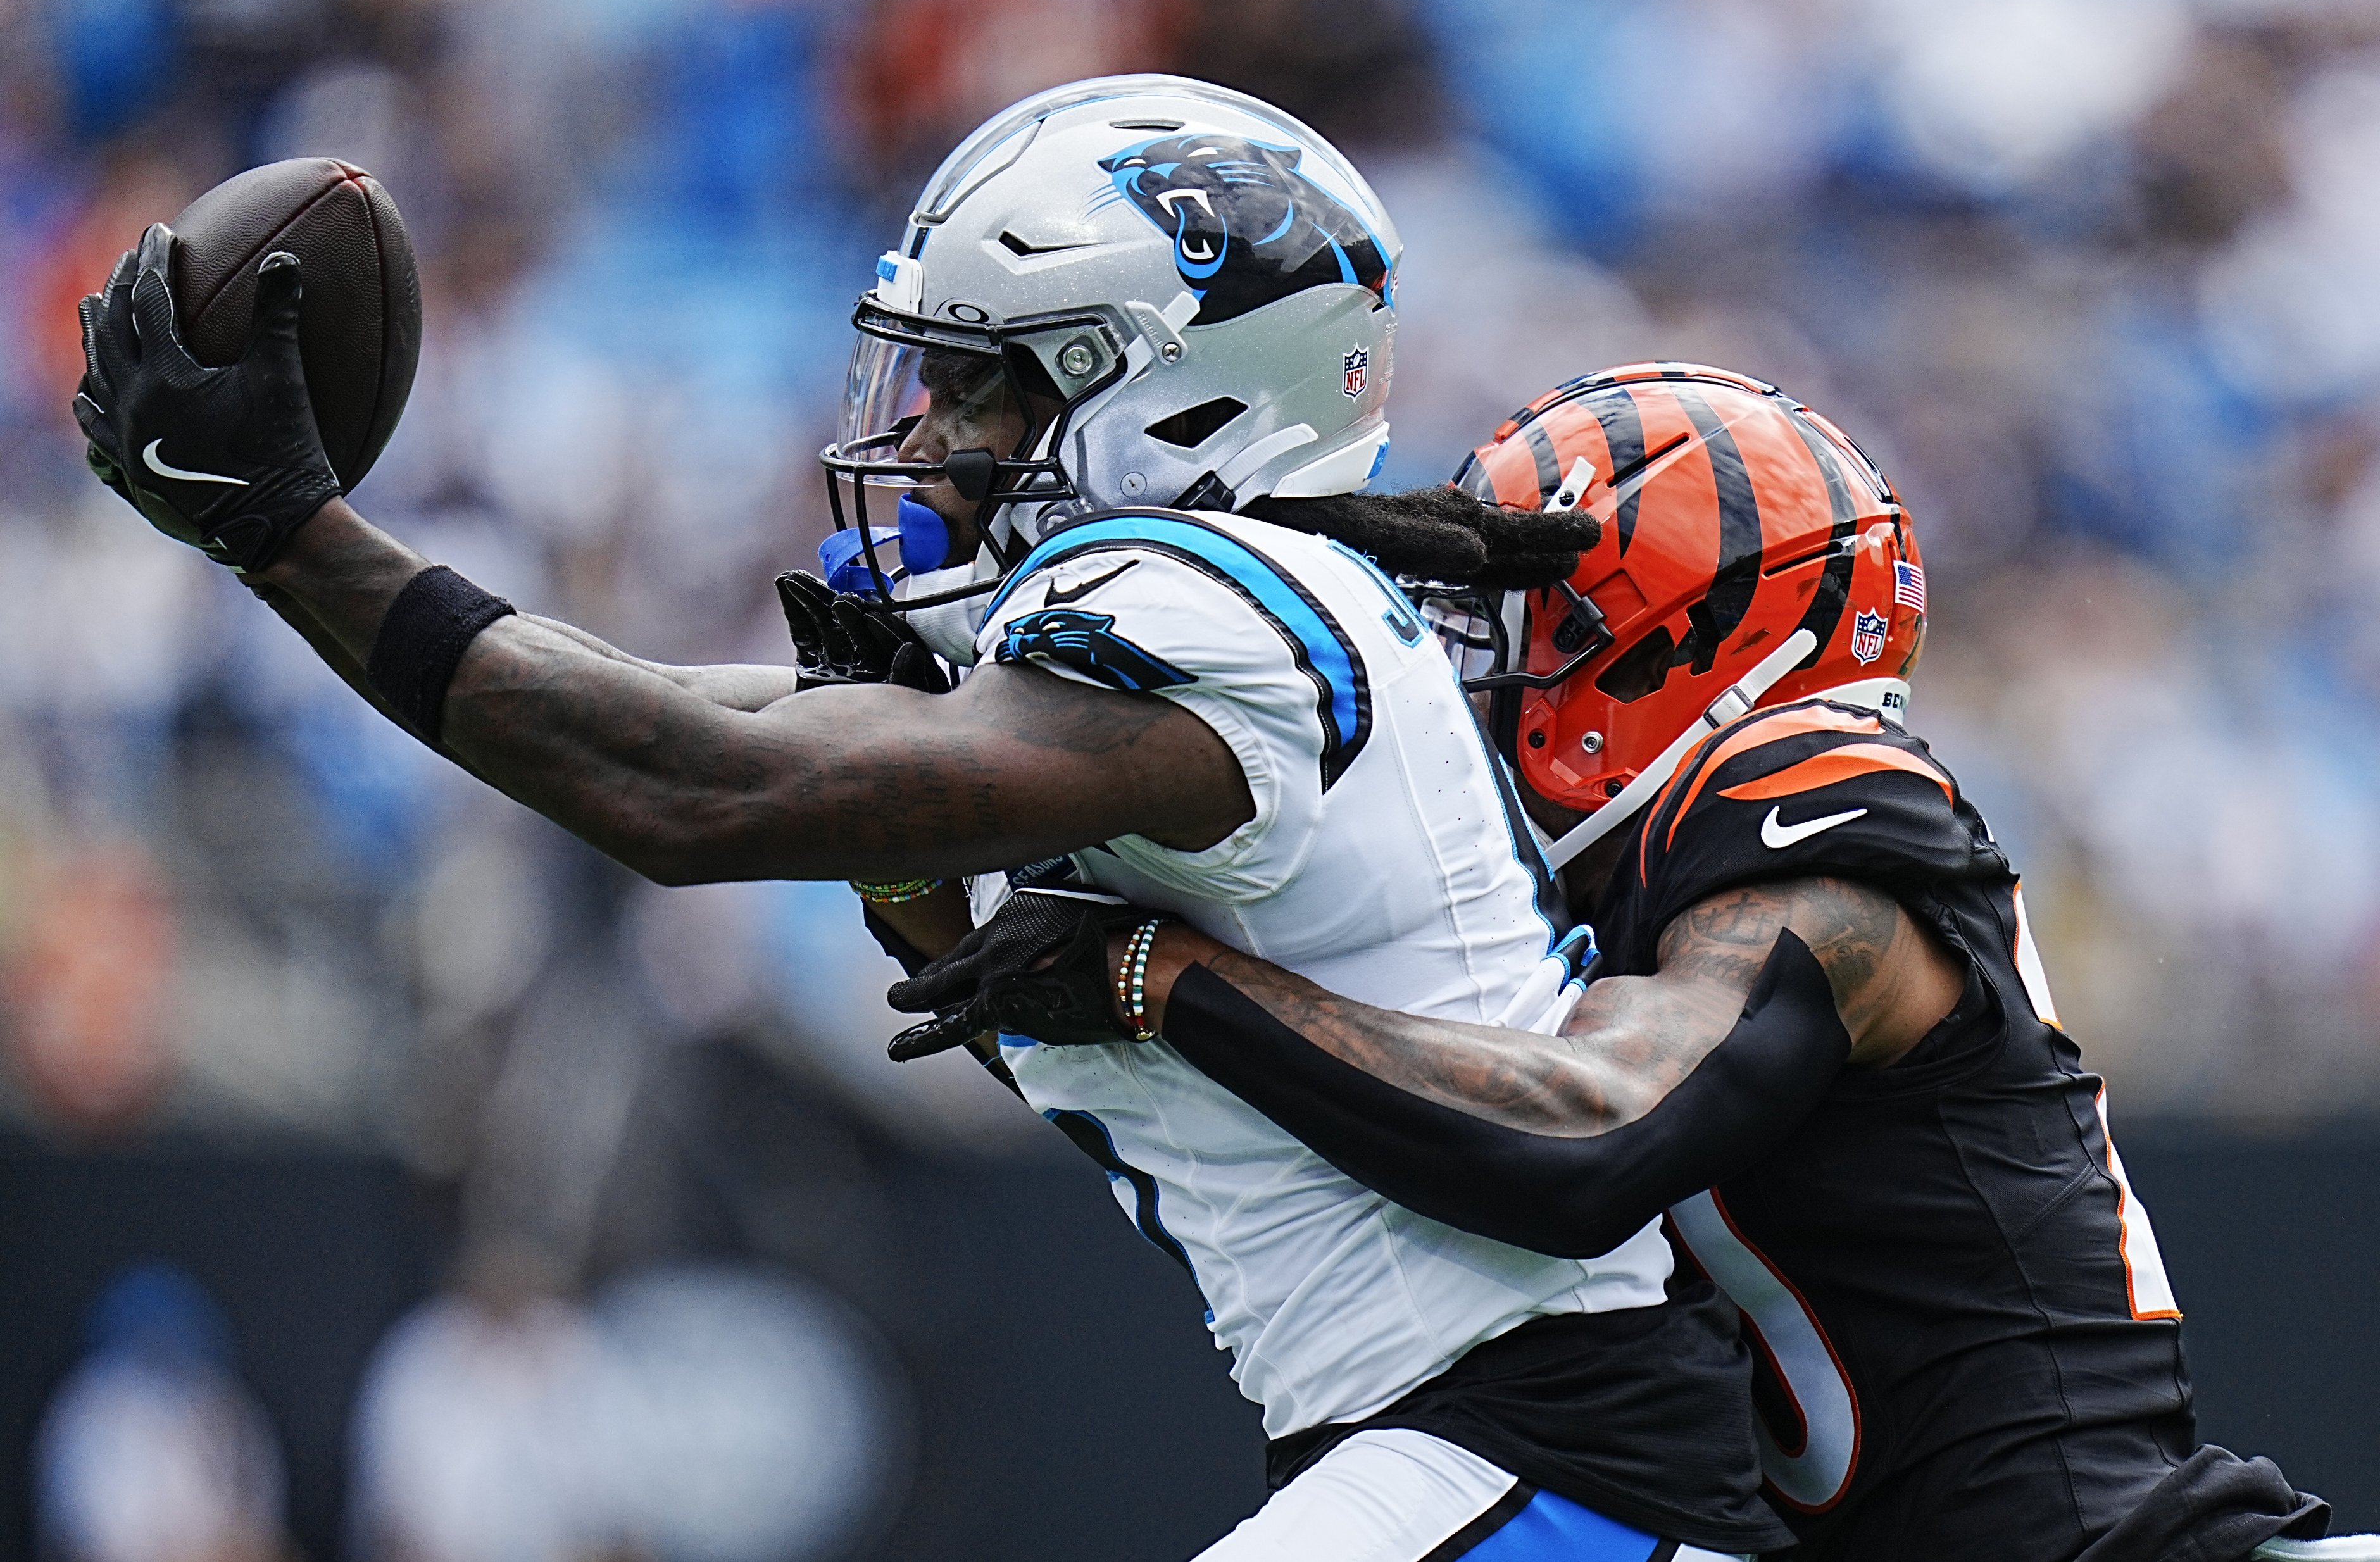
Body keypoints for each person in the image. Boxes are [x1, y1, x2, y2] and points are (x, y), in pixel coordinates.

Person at [72, 80, 1786, 1560]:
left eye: (994, 388)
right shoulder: (1191, 654)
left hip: (1548, 1451)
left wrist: (291, 534)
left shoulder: (1225, 603)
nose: (939, 440)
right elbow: (660, 725)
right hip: (1496, 1455)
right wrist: (294, 561)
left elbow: (682, 782)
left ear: (1171, 395)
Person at [898, 363, 2354, 1562]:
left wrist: (1166, 970)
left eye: (1513, 628)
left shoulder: (1808, 799)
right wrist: (914, 857)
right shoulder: (1601, 899)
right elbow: (1242, 1093)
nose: (1468, 671)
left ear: (1667, 635)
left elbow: (1585, 1137)